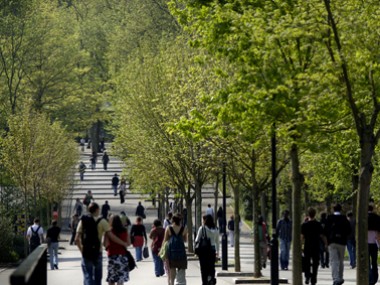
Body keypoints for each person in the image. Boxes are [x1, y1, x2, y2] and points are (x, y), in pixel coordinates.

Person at [75, 202, 128, 285]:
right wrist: (123, 243)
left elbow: (76, 239)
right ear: (97, 210)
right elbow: (111, 236)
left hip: (86, 252)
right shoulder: (102, 221)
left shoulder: (83, 220)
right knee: (98, 276)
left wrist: (82, 251)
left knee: (88, 275)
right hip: (97, 252)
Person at [325, 204, 351, 285]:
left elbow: (325, 230)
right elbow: (349, 230)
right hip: (342, 242)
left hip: (332, 242)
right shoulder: (344, 219)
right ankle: (340, 277)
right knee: (340, 261)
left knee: (334, 261)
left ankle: (336, 279)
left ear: (333, 209)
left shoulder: (329, 218)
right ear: (340, 210)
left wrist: (327, 241)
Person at [301, 207, 327, 285]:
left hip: (307, 246)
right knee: (315, 263)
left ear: (308, 214)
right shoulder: (318, 224)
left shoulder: (304, 225)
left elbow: (302, 237)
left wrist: (300, 246)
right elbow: (322, 236)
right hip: (316, 245)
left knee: (307, 262)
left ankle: (307, 276)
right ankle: (314, 278)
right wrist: (326, 244)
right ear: (315, 214)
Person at [105, 215, 131, 285]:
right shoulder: (125, 231)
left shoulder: (109, 231)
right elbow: (128, 243)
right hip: (122, 256)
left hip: (112, 256)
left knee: (111, 278)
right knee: (120, 278)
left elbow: (106, 244)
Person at [163, 213, 188, 285]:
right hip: (181, 252)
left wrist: (162, 251)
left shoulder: (168, 228)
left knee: (172, 269)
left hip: (171, 252)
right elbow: (185, 240)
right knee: (181, 269)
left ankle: (172, 283)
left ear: (172, 220)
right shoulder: (184, 228)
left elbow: (165, 240)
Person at [195, 214, 219, 285]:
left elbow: (197, 240)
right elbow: (217, 242)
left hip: (203, 251)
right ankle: (211, 278)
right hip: (212, 250)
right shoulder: (216, 229)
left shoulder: (202, 228)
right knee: (211, 267)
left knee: (203, 268)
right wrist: (217, 253)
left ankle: (204, 282)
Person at [368, 205, 380, 285]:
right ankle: (375, 277)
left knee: (367, 262)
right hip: (374, 243)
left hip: (365, 243)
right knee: (374, 261)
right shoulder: (377, 218)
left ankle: (369, 277)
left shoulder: (363, 218)